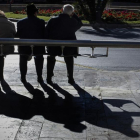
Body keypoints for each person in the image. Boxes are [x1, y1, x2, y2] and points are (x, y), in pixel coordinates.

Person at [45, 4, 83, 85]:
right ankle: (70, 78)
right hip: (68, 46)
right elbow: (80, 23)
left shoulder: (52, 20)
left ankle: (49, 77)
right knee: (69, 59)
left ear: (62, 9)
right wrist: (74, 15)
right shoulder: (73, 21)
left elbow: (46, 31)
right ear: (72, 13)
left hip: (53, 46)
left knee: (51, 58)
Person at [16, 3, 45, 83]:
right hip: (38, 46)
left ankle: (23, 77)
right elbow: (44, 34)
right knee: (39, 58)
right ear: (35, 12)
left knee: (23, 59)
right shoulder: (41, 22)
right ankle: (39, 76)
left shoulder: (20, 22)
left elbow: (18, 34)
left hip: (24, 46)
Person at [0, 10, 16, 82]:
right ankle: (1, 75)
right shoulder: (11, 23)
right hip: (7, 47)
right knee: (1, 55)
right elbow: (14, 34)